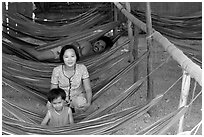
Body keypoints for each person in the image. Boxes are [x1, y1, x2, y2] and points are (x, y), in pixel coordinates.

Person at [48, 44, 92, 113]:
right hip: (62, 98)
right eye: (66, 57)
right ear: (62, 58)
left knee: (82, 104)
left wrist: (89, 103)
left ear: (76, 57)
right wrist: (59, 101)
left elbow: (88, 88)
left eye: (72, 56)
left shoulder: (82, 68)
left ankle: (73, 112)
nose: (70, 60)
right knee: (50, 106)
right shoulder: (57, 70)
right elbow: (53, 90)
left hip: (78, 96)